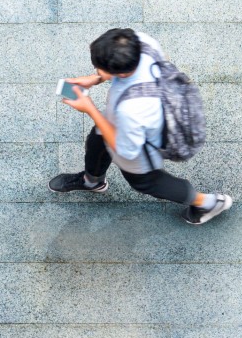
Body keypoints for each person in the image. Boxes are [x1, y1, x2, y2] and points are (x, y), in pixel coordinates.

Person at [50, 28, 232, 225]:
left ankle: (208, 203)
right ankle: (91, 182)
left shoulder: (133, 110)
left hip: (138, 146)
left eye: (99, 68)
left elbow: (125, 149)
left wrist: (90, 109)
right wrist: (97, 78)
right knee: (96, 143)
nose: (96, 71)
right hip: (126, 121)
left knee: (147, 182)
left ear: (120, 72)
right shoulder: (142, 43)